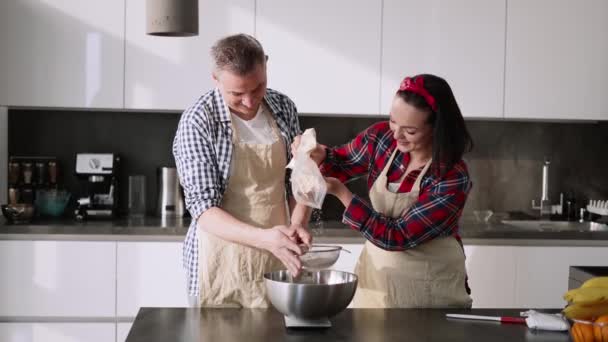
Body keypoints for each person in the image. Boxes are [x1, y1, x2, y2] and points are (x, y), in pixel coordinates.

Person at [293, 74, 473, 308]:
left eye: (409, 130)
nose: (396, 134)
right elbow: (340, 162)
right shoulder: (382, 139)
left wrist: (342, 193)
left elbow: (398, 235)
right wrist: (319, 153)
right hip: (378, 287)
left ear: (436, 129)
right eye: (393, 121)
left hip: (430, 292)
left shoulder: (451, 175)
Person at [173, 33, 312, 308]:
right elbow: (203, 209)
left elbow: (298, 178)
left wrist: (297, 224)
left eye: (258, 87)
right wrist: (265, 238)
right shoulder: (199, 120)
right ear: (215, 79)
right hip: (222, 264)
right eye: (237, 93)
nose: (249, 102)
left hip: (278, 259)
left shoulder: (283, 107)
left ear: (266, 67)